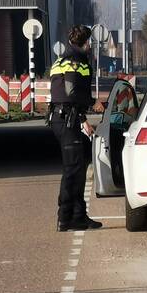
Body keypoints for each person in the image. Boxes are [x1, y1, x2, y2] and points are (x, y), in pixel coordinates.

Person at [48, 25, 103, 232]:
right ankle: (65, 218)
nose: (90, 45)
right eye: (89, 42)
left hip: (63, 118)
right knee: (72, 170)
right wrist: (92, 102)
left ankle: (78, 216)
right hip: (67, 119)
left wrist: (82, 119)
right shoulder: (76, 61)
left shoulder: (61, 59)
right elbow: (72, 93)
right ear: (85, 42)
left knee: (76, 170)